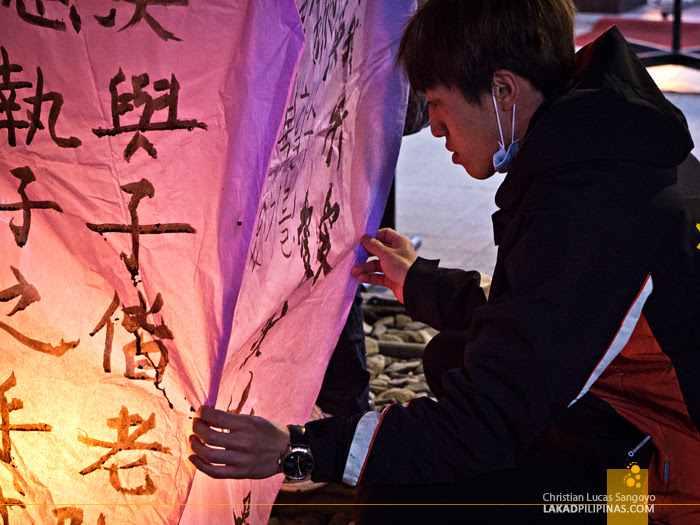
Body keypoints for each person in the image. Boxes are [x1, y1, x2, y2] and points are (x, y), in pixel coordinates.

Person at [189, 1, 700, 523]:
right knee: (453, 357)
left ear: (503, 91)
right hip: (628, 424)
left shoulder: (591, 210)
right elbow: (537, 323)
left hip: (665, 488)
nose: (434, 127)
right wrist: (420, 283)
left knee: (405, 499)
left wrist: (298, 451)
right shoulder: (599, 146)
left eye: (437, 102)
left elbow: (486, 420)